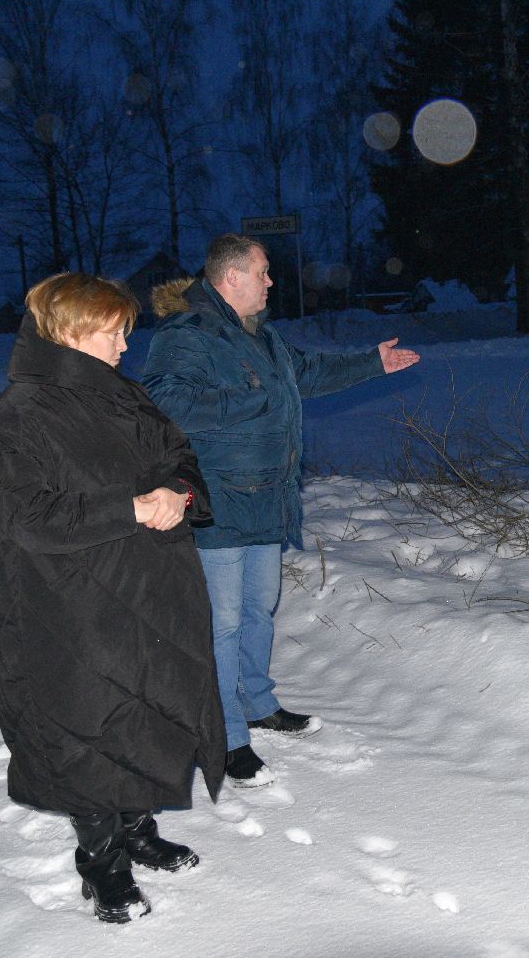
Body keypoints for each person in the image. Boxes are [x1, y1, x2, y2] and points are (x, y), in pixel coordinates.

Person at [0, 273, 226, 924]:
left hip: (145, 590)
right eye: (112, 332)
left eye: (125, 331)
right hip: (69, 606)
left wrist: (179, 490)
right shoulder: (22, 413)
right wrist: (130, 507)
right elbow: (24, 517)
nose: (123, 345)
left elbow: (180, 454)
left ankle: (137, 830)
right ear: (69, 332)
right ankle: (102, 863)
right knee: (87, 726)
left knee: (143, 711)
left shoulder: (124, 396)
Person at [144, 234, 419, 787]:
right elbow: (164, 403)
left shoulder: (259, 336)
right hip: (218, 499)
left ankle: (255, 702)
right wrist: (252, 400)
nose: (271, 282)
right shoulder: (187, 333)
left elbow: (308, 373)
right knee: (220, 625)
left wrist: (372, 363)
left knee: (257, 610)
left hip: (267, 496)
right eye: (263, 272)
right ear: (231, 278)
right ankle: (224, 737)